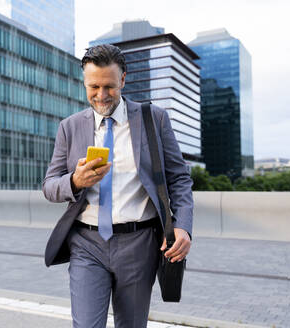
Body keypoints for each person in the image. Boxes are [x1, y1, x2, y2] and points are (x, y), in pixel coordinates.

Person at [42, 44, 194, 328]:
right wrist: (74, 181)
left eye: (109, 86)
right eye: (94, 86)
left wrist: (182, 225)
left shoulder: (154, 119)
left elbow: (179, 178)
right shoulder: (70, 127)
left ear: (123, 79)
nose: (101, 95)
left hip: (139, 243)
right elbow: (49, 185)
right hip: (86, 243)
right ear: (85, 82)